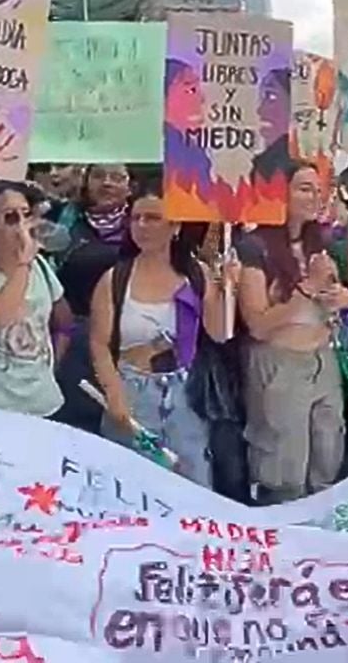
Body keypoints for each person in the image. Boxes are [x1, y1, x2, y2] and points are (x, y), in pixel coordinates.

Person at [88, 180, 237, 486]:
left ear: (175, 226)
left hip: (184, 395)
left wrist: (227, 292)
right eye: (136, 218)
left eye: (153, 218)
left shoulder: (197, 275)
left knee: (191, 484)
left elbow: (220, 334)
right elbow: (99, 343)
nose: (142, 226)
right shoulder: (114, 279)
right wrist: (115, 395)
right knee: (129, 488)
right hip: (132, 391)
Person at [236, 162, 348, 504]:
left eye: (318, 189)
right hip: (279, 364)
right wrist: (307, 289)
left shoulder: (321, 241)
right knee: (285, 470)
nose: (314, 196)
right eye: (304, 188)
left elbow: (336, 292)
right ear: (279, 192)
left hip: (323, 358)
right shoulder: (254, 246)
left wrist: (343, 297)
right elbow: (257, 323)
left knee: (327, 457)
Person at [0, 180, 75, 418]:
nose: (22, 226)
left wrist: (50, 365)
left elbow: (64, 318)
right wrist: (23, 263)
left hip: (43, 401)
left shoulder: (39, 266)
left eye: (26, 215)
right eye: (10, 218)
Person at [52, 164, 133, 433]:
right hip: (75, 338)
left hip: (129, 336)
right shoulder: (62, 221)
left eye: (117, 177)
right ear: (85, 182)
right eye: (99, 176)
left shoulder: (143, 223)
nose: (107, 183)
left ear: (130, 187)